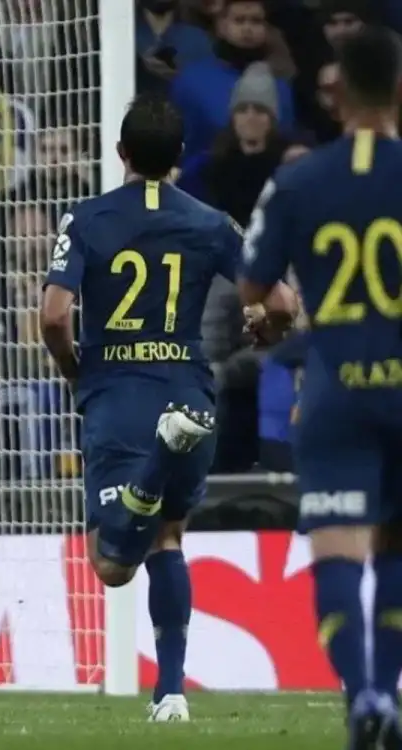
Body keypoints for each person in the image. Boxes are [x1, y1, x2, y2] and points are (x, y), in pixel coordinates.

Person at [40, 93, 295, 722]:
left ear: (120, 152)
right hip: (186, 388)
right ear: (180, 156)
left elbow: (52, 316)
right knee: (168, 539)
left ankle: (153, 468)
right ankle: (171, 694)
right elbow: (283, 302)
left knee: (110, 565)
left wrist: (74, 368)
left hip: (116, 395)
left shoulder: (87, 218)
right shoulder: (212, 223)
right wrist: (266, 331)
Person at [239, 26, 402, 748]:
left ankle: (362, 696)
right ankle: (387, 699)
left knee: (336, 551)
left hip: (332, 387)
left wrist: (275, 325)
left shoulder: (299, 179)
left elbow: (253, 283)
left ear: (333, 97)